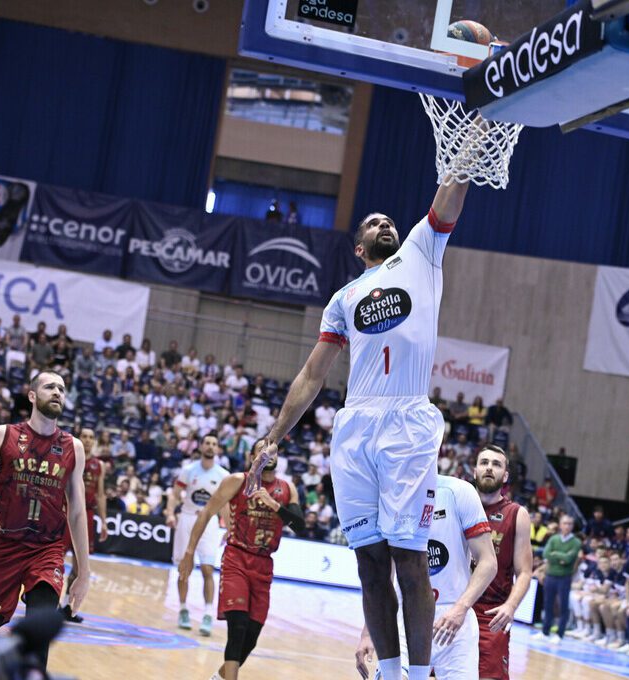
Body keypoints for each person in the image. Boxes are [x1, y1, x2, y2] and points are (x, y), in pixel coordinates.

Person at [245, 178, 473, 680]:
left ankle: (418, 675)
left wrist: (465, 157)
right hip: (355, 427)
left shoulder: (421, 251)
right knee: (369, 561)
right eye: (374, 223)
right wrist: (273, 436)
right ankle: (389, 676)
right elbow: (312, 374)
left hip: (407, 419)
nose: (385, 223)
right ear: (358, 246)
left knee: (408, 557)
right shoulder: (344, 298)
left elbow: (448, 198)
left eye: (388, 220)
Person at [0, 371, 90, 671]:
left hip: (45, 549)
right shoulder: (3, 434)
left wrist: (84, 572)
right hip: (2, 547)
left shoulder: (74, 447)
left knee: (39, 632)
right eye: (49, 387)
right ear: (32, 396)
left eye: (61, 388)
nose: (57, 391)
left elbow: (77, 511)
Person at [179, 440, 304, 680]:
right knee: (237, 628)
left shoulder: (288, 488)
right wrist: (189, 551)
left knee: (251, 637)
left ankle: (219, 677)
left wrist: (274, 505)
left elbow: (299, 525)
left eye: (272, 449)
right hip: (237, 557)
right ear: (251, 457)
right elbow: (207, 512)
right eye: (261, 449)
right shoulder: (237, 481)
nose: (268, 453)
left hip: (264, 564)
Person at [355, 474, 496, 680]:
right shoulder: (389, 496)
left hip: (454, 622)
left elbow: (488, 562)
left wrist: (460, 608)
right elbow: (382, 574)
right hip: (404, 618)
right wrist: (369, 631)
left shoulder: (459, 491)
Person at [472, 445, 532, 680]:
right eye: (484, 462)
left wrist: (511, 606)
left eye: (496, 464)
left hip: (490, 614)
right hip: (452, 605)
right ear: (474, 470)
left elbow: (525, 572)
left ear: (505, 476)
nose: (489, 468)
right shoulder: (457, 505)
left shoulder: (517, 514)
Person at [167, 433, 230, 636]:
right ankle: (183, 610)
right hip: (187, 518)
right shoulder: (188, 470)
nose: (211, 446)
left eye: (214, 443)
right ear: (201, 446)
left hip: (210, 522)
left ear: (218, 449)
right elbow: (175, 494)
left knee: (207, 569)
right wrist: (170, 513)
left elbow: (226, 504)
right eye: (207, 443)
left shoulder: (223, 475)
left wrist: (229, 528)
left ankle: (208, 614)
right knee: (183, 569)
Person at [60, 427, 108, 623]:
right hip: (65, 510)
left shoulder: (99, 465)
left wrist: (104, 521)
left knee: (80, 564)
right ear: (79, 439)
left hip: (87, 513)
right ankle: (45, 598)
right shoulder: (70, 457)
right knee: (55, 556)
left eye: (91, 437)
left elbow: (100, 494)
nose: (87, 440)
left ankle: (64, 606)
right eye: (84, 437)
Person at [535, 514, 581, 644]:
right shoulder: (554, 538)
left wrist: (555, 555)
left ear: (572, 526)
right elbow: (545, 554)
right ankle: (545, 632)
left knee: (563, 606)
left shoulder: (576, 542)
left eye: (570, 524)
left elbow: (568, 559)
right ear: (560, 525)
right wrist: (560, 557)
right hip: (550, 575)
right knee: (548, 605)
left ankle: (560, 634)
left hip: (564, 577)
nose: (567, 526)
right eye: (565, 523)